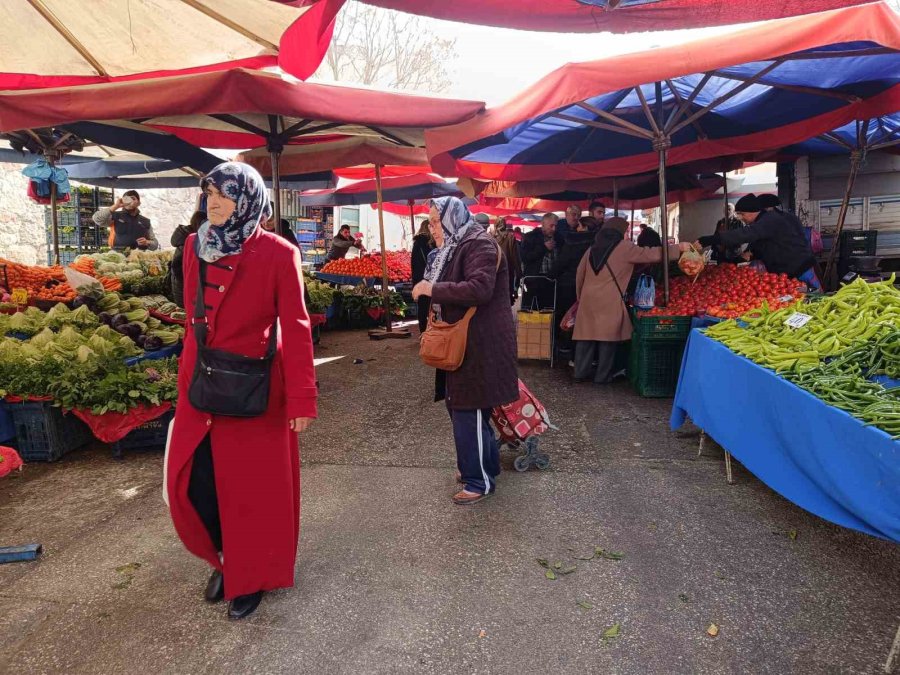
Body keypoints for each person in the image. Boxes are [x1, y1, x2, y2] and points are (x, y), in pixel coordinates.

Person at [165, 162, 317, 621]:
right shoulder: (194, 246)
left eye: (224, 195)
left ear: (247, 200)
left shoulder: (278, 252)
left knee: (253, 492)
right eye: (208, 194)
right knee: (194, 484)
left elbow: (296, 327)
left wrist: (302, 399)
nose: (213, 203)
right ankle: (226, 559)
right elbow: (194, 317)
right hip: (203, 385)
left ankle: (249, 576)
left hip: (256, 392)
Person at [412, 196, 518, 506]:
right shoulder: (460, 245)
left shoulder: (478, 245)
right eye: (430, 222)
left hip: (479, 344)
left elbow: (479, 289)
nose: (433, 228)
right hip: (465, 342)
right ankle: (485, 467)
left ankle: (478, 480)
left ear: (451, 218)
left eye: (435, 221)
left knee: (467, 409)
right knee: (469, 409)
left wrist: (432, 289)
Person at [574, 217, 691, 384]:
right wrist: (677, 248)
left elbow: (580, 274)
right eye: (626, 231)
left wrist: (580, 297)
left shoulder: (592, 249)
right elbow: (650, 254)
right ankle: (602, 377)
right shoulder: (624, 248)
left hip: (588, 298)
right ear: (619, 232)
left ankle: (580, 372)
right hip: (610, 299)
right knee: (608, 339)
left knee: (586, 337)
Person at [697, 194, 821, 289]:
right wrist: (749, 254)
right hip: (788, 271)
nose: (741, 218)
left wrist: (709, 239)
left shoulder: (770, 220)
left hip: (800, 269)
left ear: (752, 212)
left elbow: (745, 234)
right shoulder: (764, 221)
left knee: (815, 300)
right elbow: (759, 242)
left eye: (742, 214)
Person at [550, 216, 597, 356]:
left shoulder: (572, 241)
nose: (576, 228)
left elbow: (561, 263)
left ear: (584, 227)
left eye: (579, 226)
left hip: (568, 284)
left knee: (569, 316)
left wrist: (551, 275)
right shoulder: (597, 243)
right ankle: (584, 352)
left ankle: (567, 347)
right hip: (590, 286)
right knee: (585, 319)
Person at [93, 189, 159, 250]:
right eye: (126, 199)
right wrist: (116, 206)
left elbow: (155, 244)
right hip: (118, 257)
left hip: (138, 257)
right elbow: (97, 219)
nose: (130, 201)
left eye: (133, 198)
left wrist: (147, 242)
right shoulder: (115, 216)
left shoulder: (145, 221)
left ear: (139, 203)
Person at [520, 213, 558, 308]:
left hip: (551, 280)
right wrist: (543, 248)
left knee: (548, 310)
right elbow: (525, 257)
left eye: (555, 226)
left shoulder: (558, 238)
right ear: (543, 224)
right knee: (531, 310)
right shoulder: (530, 237)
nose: (554, 229)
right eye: (551, 226)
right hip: (534, 279)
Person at [170, 210, 206, 308]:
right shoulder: (189, 242)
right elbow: (181, 271)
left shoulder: (184, 237)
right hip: (184, 290)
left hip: (181, 288)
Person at [411, 219, 436, 333]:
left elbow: (414, 264)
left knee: (422, 308)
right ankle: (432, 330)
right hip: (430, 279)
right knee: (432, 306)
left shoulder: (416, 243)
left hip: (419, 279)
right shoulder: (431, 243)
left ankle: (422, 331)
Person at [493, 216, 522, 305]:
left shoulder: (491, 236)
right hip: (507, 270)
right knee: (506, 296)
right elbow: (514, 256)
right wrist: (518, 271)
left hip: (494, 270)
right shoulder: (510, 237)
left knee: (495, 296)